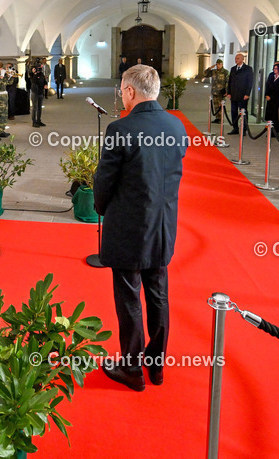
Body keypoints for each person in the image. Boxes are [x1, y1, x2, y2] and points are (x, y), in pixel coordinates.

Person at [94, 64, 187, 391]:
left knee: (129, 297)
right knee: (159, 295)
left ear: (130, 91)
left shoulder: (121, 129)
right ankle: (156, 366)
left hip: (129, 227)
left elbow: (105, 180)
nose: (122, 94)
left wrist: (100, 208)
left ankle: (132, 369)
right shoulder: (176, 125)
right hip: (163, 226)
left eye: (122, 89)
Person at [226, 53, 254, 134]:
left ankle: (244, 129)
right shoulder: (233, 69)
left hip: (243, 95)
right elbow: (230, 81)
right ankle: (235, 128)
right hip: (234, 94)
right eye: (235, 58)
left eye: (238, 58)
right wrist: (229, 92)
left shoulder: (248, 69)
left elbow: (250, 82)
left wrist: (247, 94)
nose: (236, 60)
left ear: (242, 59)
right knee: (234, 112)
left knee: (243, 112)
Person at [263, 61, 279, 131]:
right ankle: (270, 130)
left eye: (276, 68)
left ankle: (276, 130)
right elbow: (267, 85)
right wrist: (266, 95)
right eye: (274, 68)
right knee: (269, 115)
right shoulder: (271, 75)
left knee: (276, 115)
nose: (274, 70)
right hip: (269, 99)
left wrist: (273, 97)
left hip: (277, 99)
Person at [28, 59, 47, 127]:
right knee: (34, 107)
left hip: (40, 92)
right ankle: (34, 122)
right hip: (35, 92)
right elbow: (34, 81)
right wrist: (34, 73)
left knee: (39, 107)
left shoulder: (41, 74)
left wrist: (45, 84)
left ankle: (39, 120)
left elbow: (44, 80)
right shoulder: (32, 74)